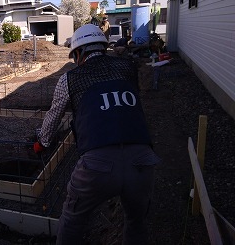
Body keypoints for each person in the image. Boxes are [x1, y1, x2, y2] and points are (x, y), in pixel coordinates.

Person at [33, 24, 160, 245]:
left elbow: (54, 116)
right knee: (136, 222)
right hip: (142, 160)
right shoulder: (128, 68)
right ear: (103, 47)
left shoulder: (70, 79)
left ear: (79, 53)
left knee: (72, 220)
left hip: (97, 165)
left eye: (74, 57)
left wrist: (42, 143)